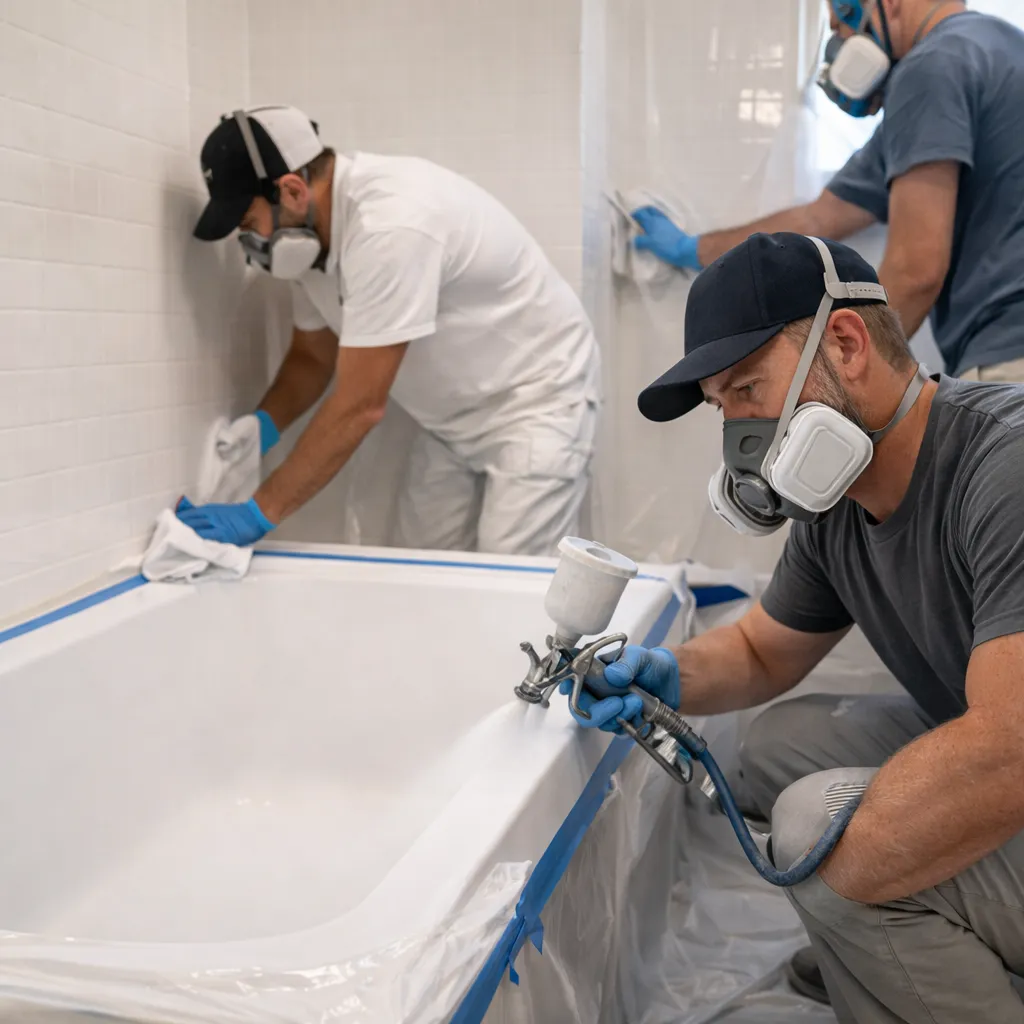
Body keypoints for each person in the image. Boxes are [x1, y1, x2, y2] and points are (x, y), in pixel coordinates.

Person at [568, 231, 1024, 1022]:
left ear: (844, 344)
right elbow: (760, 650)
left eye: (747, 390)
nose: (739, 435)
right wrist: (664, 673)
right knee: (777, 748)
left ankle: (895, 941)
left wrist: (843, 873)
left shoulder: (1004, 467)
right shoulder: (836, 505)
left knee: (816, 824)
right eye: (723, 408)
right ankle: (894, 942)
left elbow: (1012, 745)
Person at [179, 105, 601, 555]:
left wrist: (256, 513)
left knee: (511, 583)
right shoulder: (307, 242)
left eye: (248, 225)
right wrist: (260, 431)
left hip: (536, 403)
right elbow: (313, 358)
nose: (251, 246)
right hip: (449, 423)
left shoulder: (391, 225)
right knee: (421, 568)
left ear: (293, 190)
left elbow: (359, 406)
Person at [633, 0, 1024, 383]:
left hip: (1009, 354)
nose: (840, 46)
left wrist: (839, 381)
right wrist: (692, 249)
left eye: (841, 26)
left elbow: (915, 269)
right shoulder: (1002, 50)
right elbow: (819, 217)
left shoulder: (928, 70)